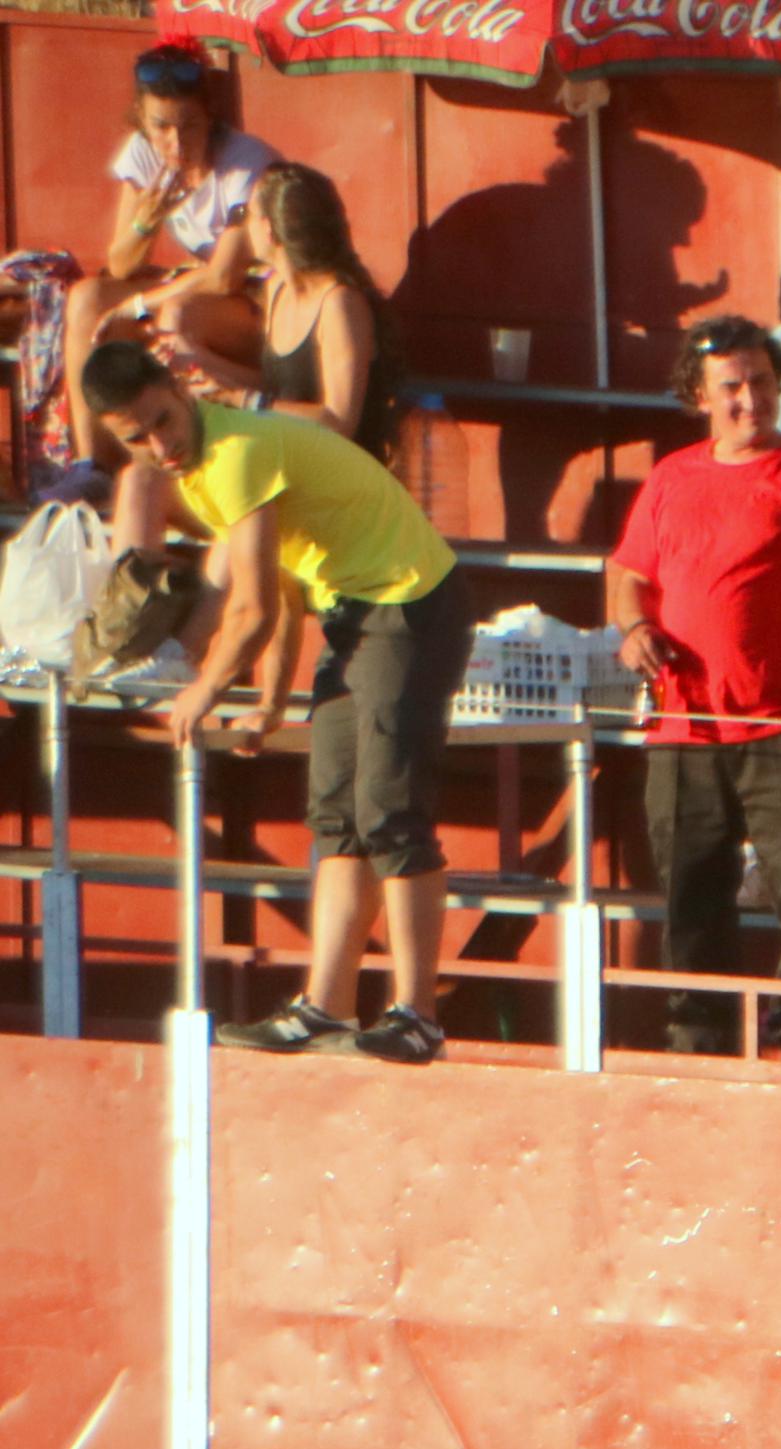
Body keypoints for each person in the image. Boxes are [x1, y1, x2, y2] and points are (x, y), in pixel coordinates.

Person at [90, 339, 478, 1066]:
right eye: (135, 437)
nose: (158, 443)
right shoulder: (198, 468)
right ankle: (324, 1008)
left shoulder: (233, 451)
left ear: (179, 388)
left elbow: (253, 612)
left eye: (162, 420)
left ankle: (418, 1014)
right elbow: (287, 583)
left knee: (390, 808)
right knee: (337, 814)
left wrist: (201, 691)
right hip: (350, 609)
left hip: (409, 600)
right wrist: (269, 703)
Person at [608, 314, 781, 1061]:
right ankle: (700, 1042)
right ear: (699, 394)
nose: (750, 400)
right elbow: (626, 573)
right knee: (691, 899)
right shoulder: (669, 478)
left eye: (762, 383)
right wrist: (632, 628)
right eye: (732, 386)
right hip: (683, 727)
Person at [55, 46, 270, 483]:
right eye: (161, 127)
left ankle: (188, 458)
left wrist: (137, 307)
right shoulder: (144, 153)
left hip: (256, 302)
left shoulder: (244, 164)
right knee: (86, 299)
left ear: (210, 117)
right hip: (197, 288)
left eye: (189, 126)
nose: (175, 142)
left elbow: (224, 276)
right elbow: (119, 264)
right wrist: (143, 224)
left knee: (175, 314)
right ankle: (90, 464)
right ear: (142, 119)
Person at [149, 164, 396, 459]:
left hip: (342, 471)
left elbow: (339, 423)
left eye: (245, 215)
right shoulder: (276, 287)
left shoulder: (339, 304)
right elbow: (281, 390)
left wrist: (239, 398)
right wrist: (199, 361)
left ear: (268, 230)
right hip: (288, 453)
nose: (241, 225)